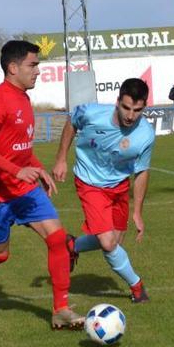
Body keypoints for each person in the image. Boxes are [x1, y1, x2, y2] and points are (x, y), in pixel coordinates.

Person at [0, 40, 84, 329]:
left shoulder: (24, 99)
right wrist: (16, 170)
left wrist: (37, 169)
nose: (38, 70)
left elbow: (21, 148)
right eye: (33, 65)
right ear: (13, 68)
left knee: (58, 239)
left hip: (24, 191)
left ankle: (60, 308)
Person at [52, 78, 154, 303]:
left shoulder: (145, 134)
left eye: (137, 110)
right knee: (108, 243)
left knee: (115, 241)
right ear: (117, 102)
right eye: (126, 107)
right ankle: (137, 287)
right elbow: (72, 122)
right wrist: (61, 159)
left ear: (144, 107)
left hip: (119, 186)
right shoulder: (92, 113)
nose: (130, 115)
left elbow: (142, 172)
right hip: (89, 183)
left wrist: (137, 211)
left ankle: (72, 245)